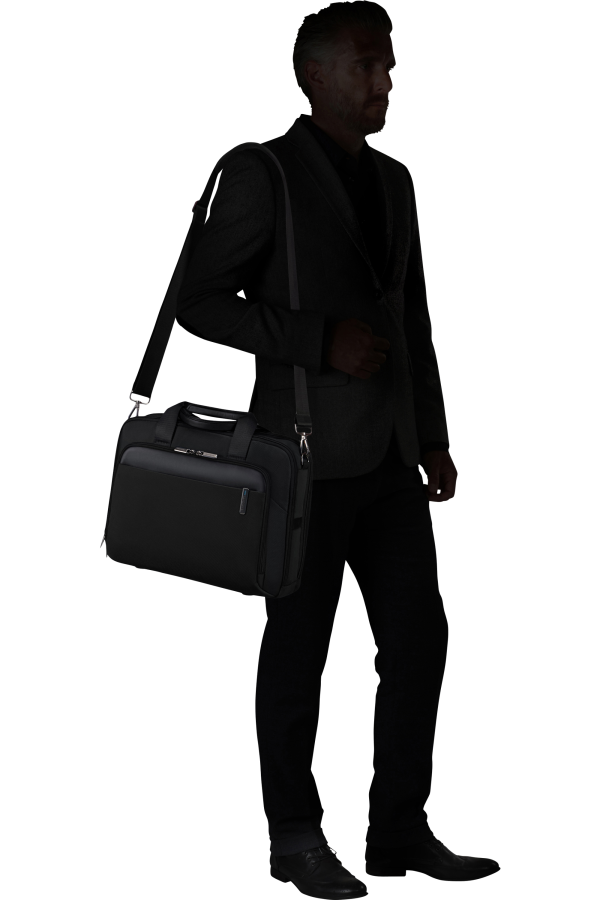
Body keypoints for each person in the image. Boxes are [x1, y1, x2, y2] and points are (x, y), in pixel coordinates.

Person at [177, 2, 500, 896]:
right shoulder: (263, 173)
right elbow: (198, 300)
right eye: (367, 65)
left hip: (391, 460)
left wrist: (433, 435)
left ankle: (398, 830)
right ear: (314, 76)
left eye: (389, 64)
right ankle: (294, 838)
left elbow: (413, 316)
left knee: (420, 641)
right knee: (298, 654)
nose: (386, 81)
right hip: (301, 462)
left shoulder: (396, 181)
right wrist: (318, 341)